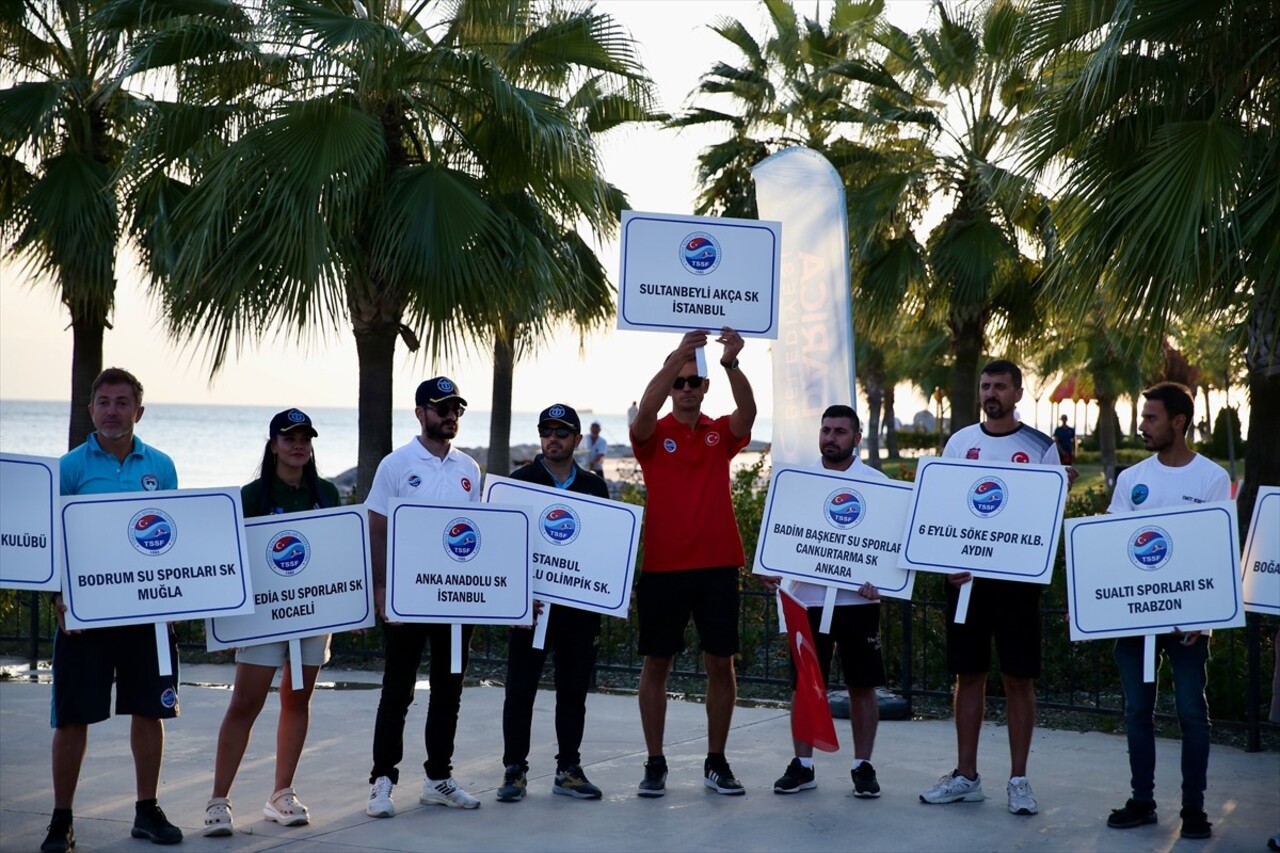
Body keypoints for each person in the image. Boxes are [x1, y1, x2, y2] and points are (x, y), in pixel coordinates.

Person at [919, 359, 1067, 818]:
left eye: (1000, 386)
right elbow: (943, 509)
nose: (991, 394)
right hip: (966, 583)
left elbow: (1048, 521)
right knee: (968, 676)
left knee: (1018, 678)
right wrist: (946, 564)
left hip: (1017, 585)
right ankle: (966, 776)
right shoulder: (960, 442)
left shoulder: (1041, 446)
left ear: (1018, 394)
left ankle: (1018, 780)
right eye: (985, 386)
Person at [44, 368, 182, 852]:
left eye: (122, 402)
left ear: (138, 412)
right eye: (103, 402)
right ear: (90, 410)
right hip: (84, 620)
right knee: (72, 719)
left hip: (146, 617)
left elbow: (173, 540)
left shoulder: (161, 468)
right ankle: (61, 819)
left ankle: (147, 811)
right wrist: (59, 597)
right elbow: (50, 544)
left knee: (149, 712)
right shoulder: (68, 468)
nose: (112, 411)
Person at [202, 409, 341, 837]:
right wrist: (225, 616)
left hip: (313, 615)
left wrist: (348, 607)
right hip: (263, 616)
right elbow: (229, 558)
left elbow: (338, 553)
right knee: (245, 702)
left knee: (297, 700)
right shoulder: (250, 495)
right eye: (289, 437)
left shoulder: (327, 493)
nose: (298, 444)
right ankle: (218, 800)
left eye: (305, 437)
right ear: (273, 444)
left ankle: (281, 794)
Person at [630, 327, 756, 797]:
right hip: (663, 568)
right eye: (678, 381)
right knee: (655, 666)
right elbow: (646, 409)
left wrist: (729, 363)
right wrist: (678, 356)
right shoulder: (651, 435)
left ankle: (716, 761)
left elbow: (749, 413)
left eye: (692, 382)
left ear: (704, 388)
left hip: (717, 565)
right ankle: (655, 762)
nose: (684, 389)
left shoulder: (718, 433)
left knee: (720, 664)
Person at [1104, 382, 1229, 840]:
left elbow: (1217, 552)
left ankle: (1193, 810)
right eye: (1142, 417)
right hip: (1135, 622)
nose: (1142, 425)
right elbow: (1114, 544)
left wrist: (1204, 617)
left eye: (1151, 417)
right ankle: (1142, 800)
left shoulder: (1211, 477)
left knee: (1192, 715)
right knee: (1138, 711)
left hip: (1189, 626)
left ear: (1178, 421)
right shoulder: (1133, 478)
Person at [365, 377, 483, 817]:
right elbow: (377, 530)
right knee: (397, 690)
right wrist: (380, 588)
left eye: (456, 408)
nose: (450, 415)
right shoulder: (396, 465)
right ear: (420, 413)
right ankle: (382, 779)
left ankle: (438, 777)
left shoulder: (469, 469)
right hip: (406, 600)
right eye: (441, 408)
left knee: (448, 689)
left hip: (456, 603)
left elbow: (478, 535)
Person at [760, 406, 889, 799]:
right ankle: (803, 766)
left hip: (857, 604)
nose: (831, 437)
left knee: (862, 686)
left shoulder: (878, 484)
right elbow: (781, 534)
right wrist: (769, 566)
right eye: (826, 430)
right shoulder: (798, 482)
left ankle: (862, 766)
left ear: (857, 438)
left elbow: (887, 546)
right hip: (807, 601)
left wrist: (880, 582)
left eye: (840, 431)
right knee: (804, 686)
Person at [496, 404, 610, 803]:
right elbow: (502, 548)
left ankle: (568, 770)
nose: (553, 438)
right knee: (520, 691)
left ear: (578, 440)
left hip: (579, 611)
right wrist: (513, 602)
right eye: (547, 431)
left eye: (562, 432)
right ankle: (514, 770)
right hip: (531, 611)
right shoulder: (520, 482)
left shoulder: (595, 487)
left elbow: (601, 548)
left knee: (573, 692)